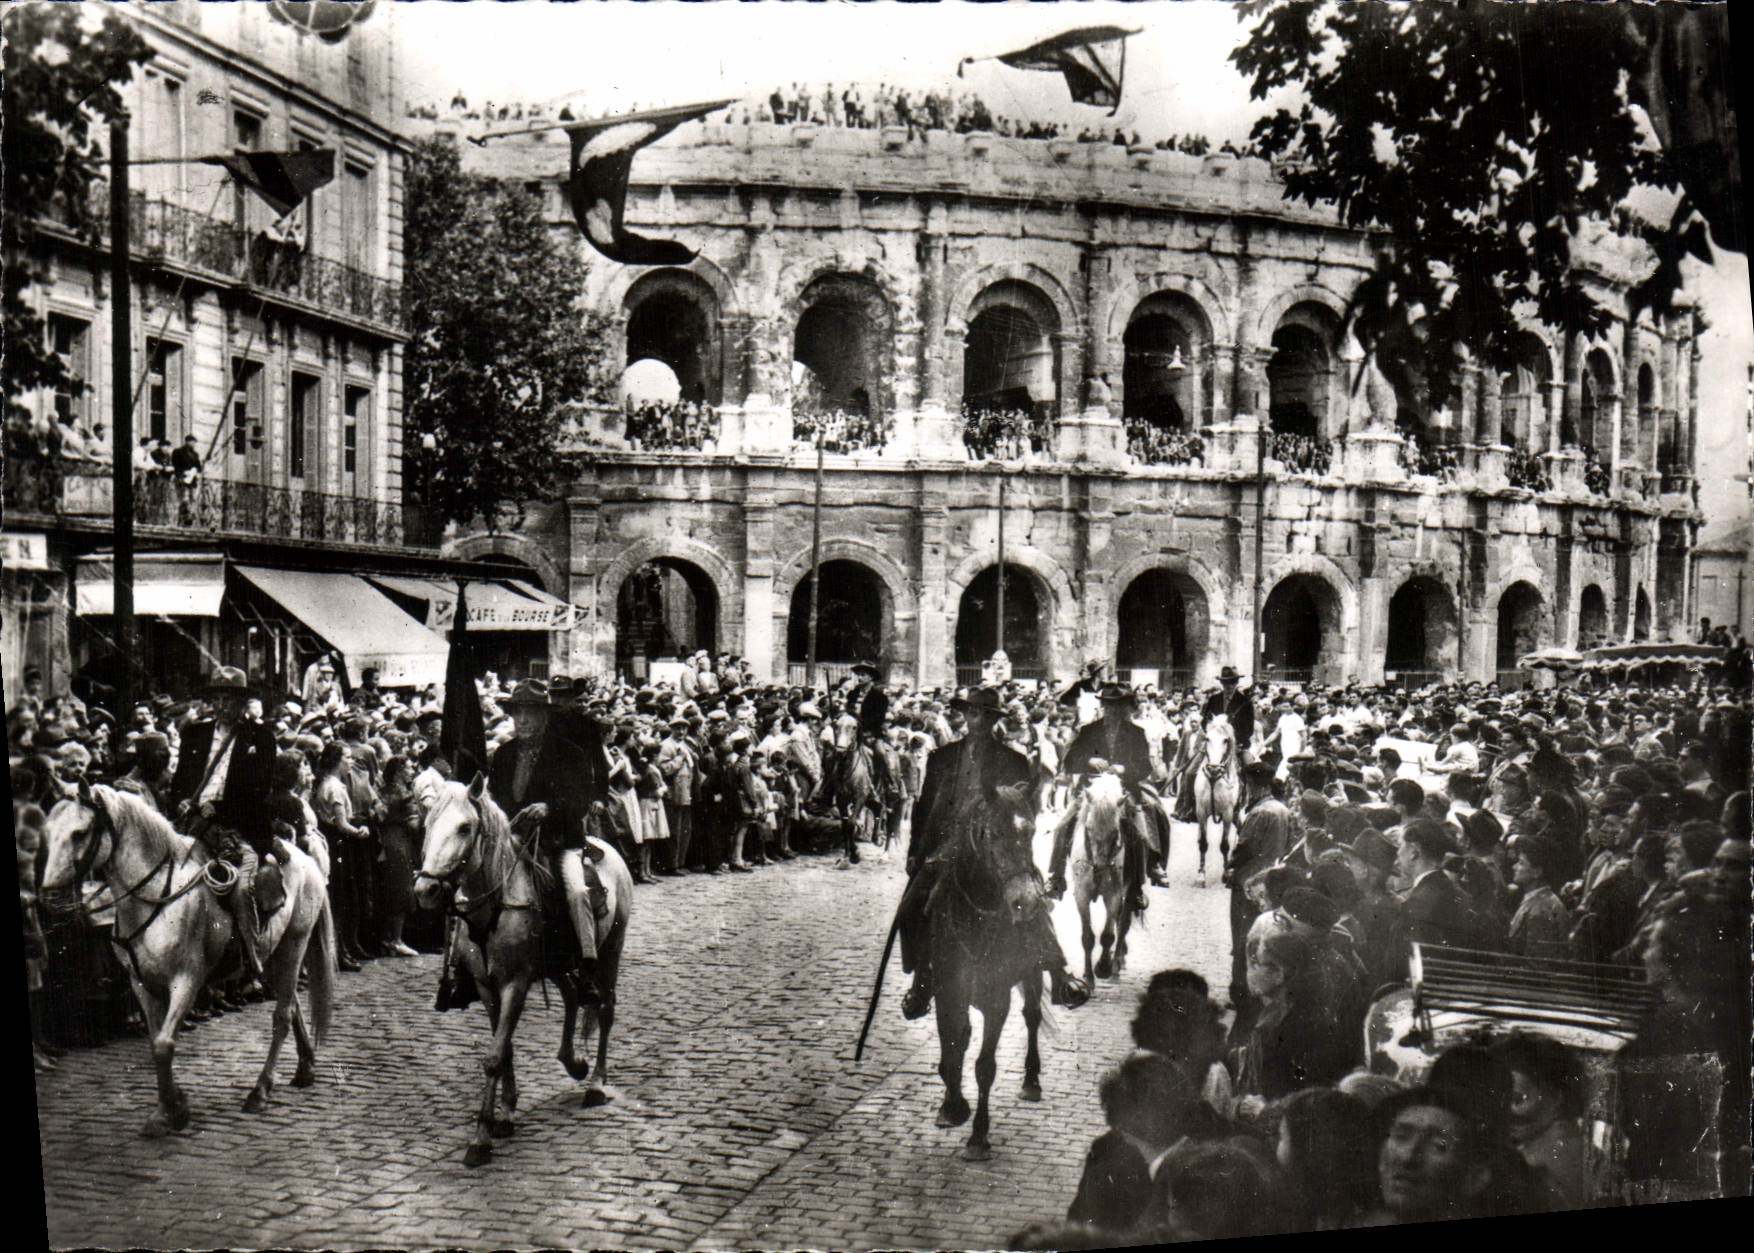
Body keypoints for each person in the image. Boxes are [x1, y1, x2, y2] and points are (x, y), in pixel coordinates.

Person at [895, 686, 1087, 1020]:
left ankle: (1058, 973)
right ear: (965, 716)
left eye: (987, 716)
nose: (979, 722)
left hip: (994, 847)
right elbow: (926, 807)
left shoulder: (1011, 760)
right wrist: (915, 851)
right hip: (945, 846)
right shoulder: (943, 757)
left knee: (1030, 900)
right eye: (973, 714)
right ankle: (922, 979)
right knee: (912, 905)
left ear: (995, 721)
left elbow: (1021, 810)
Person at [484, 680, 615, 1002]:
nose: (523, 721)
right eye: (518, 714)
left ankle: (585, 966)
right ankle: (462, 966)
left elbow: (581, 797)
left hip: (559, 840)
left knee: (576, 892)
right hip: (515, 839)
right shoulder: (503, 753)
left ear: (545, 716)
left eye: (530, 714)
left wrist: (550, 808)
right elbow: (495, 798)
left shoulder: (570, 753)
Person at [164, 666, 281, 980]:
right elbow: (180, 782)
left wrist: (218, 809)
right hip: (195, 827)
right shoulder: (195, 733)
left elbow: (259, 791)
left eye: (227, 699)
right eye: (215, 699)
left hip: (238, 828)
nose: (220, 706)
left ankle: (251, 960)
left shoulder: (262, 738)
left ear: (242, 703)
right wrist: (183, 800)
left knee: (242, 889)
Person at [1048, 682, 1157, 916]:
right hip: (1092, 793)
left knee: (1142, 832)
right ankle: (1056, 877)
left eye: (1118, 706)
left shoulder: (1136, 733)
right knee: (1062, 826)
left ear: (1126, 708)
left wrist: (1124, 769)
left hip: (1123, 793)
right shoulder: (1089, 731)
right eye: (1109, 706)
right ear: (1103, 706)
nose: (1113, 711)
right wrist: (1089, 762)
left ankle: (1139, 883)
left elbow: (1145, 767)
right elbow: (1069, 761)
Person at [1224, 759, 1290, 1019]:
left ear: (1251, 784)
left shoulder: (1261, 812)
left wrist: (1231, 865)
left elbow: (1245, 846)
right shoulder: (1281, 809)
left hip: (1248, 881)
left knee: (1242, 936)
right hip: (1269, 877)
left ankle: (1240, 988)